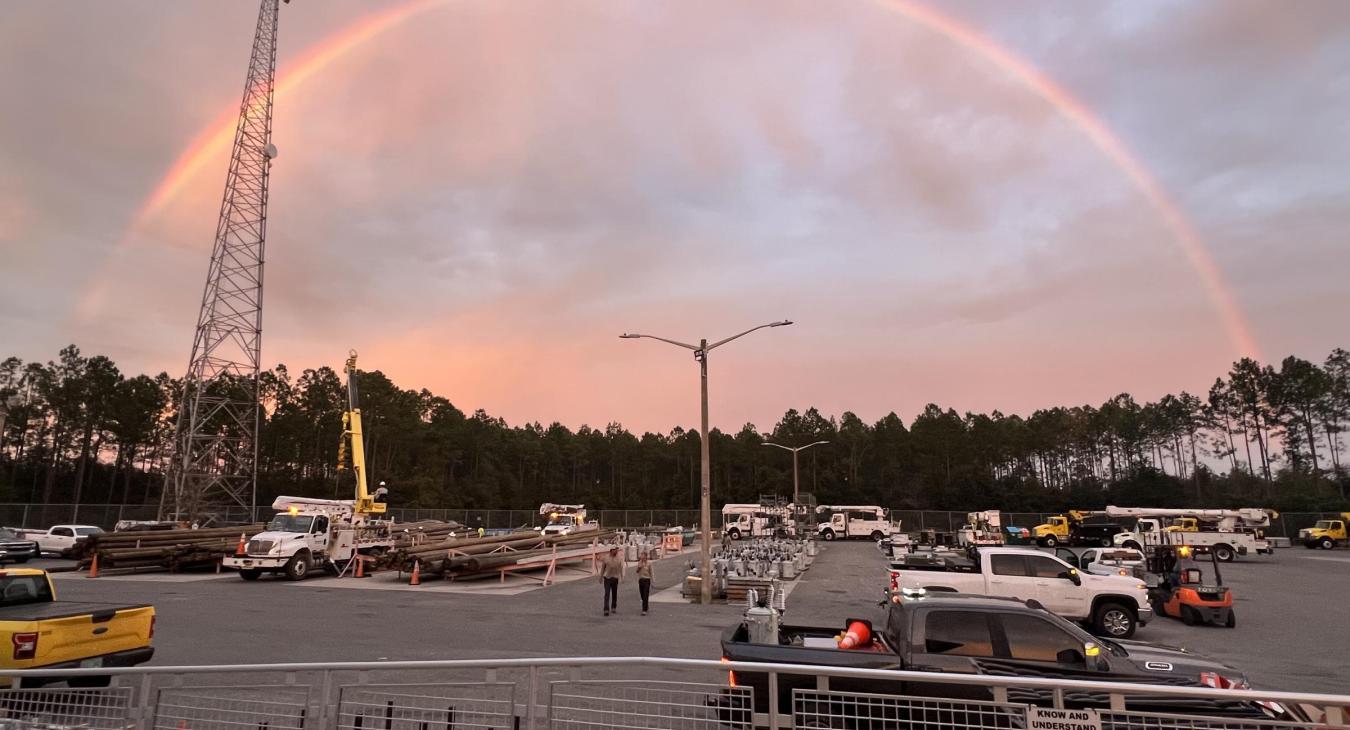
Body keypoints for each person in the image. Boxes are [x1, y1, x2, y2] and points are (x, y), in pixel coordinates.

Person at [599, 546, 625, 616]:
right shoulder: (606, 558)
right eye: (615, 550)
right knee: (607, 593)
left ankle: (613, 607)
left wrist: (622, 577)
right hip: (607, 578)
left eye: (617, 550)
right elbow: (603, 568)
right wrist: (600, 577)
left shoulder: (619, 558)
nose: (616, 551)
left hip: (615, 578)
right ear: (611, 551)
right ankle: (606, 609)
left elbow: (621, 568)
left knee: (614, 593)